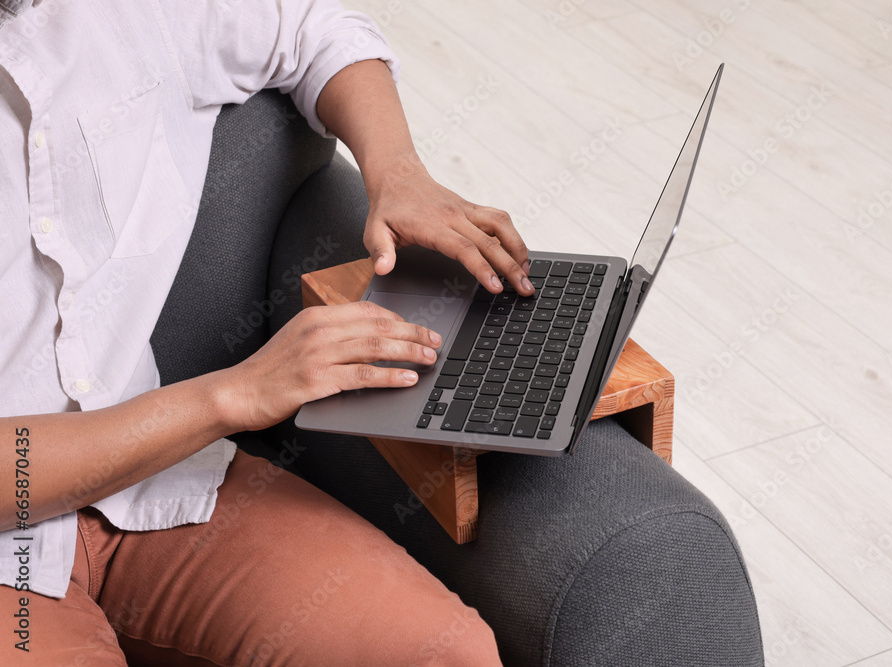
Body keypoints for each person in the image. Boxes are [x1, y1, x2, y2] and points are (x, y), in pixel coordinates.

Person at [0, 0, 533, 663]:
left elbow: (315, 26)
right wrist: (236, 395)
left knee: (446, 652)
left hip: (158, 482)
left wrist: (398, 175)